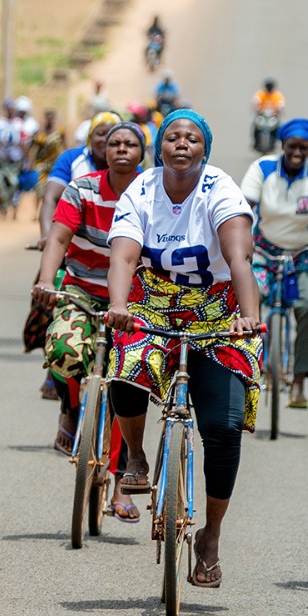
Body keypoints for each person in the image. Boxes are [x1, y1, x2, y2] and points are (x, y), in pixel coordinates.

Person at [104, 110, 263, 589]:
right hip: (150, 305)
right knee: (126, 365)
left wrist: (249, 316)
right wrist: (116, 305)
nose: (181, 144)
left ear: (205, 150)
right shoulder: (142, 190)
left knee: (223, 428)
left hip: (217, 312)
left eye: (192, 139)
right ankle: (135, 457)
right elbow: (125, 256)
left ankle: (210, 536)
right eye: (172, 137)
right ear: (159, 147)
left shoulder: (221, 190)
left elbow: (238, 257)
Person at [32, 121, 147, 521]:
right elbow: (59, 238)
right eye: (114, 142)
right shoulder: (82, 189)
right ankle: (70, 404)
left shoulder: (152, 191)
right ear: (102, 149)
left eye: (130, 144)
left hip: (134, 301)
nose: (120, 149)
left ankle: (121, 485)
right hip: (81, 290)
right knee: (62, 351)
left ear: (142, 153)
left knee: (128, 384)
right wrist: (47, 280)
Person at [241, 118, 308, 408]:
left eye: (303, 147)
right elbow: (245, 208)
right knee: (249, 297)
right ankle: (248, 367)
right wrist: (242, 239)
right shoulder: (263, 168)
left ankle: (298, 380)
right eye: (292, 146)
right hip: (264, 247)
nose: (297, 153)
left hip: (304, 251)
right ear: (282, 145)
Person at [39, 110, 121, 244]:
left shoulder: (131, 169)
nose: (105, 139)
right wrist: (47, 238)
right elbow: (51, 198)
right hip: (71, 241)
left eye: (112, 135)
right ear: (89, 138)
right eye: (100, 134)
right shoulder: (71, 159)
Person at [29, 109, 66, 209]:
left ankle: (54, 209)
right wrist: (31, 162)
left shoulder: (59, 132)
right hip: (41, 163)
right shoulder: (39, 132)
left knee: (55, 185)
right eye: (47, 117)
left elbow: (65, 147)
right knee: (39, 187)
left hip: (55, 163)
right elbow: (33, 148)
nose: (49, 119)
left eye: (51, 117)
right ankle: (36, 210)